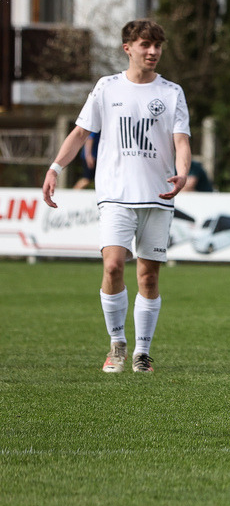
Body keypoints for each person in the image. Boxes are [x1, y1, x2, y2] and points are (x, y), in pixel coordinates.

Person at [42, 19, 191, 374]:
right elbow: (80, 133)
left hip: (158, 196)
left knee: (149, 277)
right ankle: (117, 344)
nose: (153, 51)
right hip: (116, 195)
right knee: (112, 266)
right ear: (128, 48)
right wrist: (55, 168)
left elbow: (182, 141)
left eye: (157, 45)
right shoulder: (107, 88)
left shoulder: (172, 92)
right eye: (145, 45)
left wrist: (183, 173)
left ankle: (142, 352)